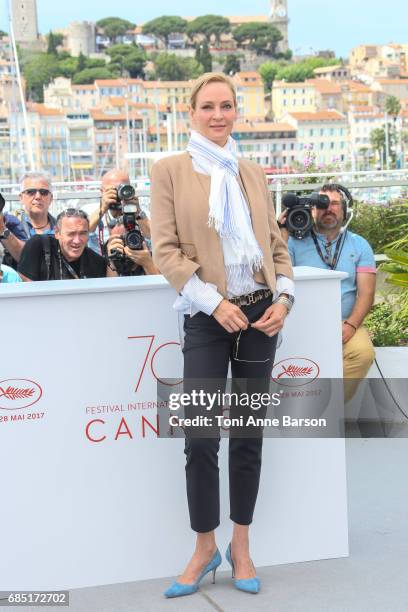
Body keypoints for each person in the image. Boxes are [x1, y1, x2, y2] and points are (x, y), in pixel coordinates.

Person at [150, 72, 294, 597]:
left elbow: (277, 249)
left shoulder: (251, 172)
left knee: (249, 437)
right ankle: (204, 546)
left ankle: (242, 545)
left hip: (261, 316)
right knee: (201, 437)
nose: (218, 115)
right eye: (207, 106)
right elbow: (166, 251)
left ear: (237, 111)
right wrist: (214, 304)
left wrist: (284, 298)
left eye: (226, 106)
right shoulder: (168, 170)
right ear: (190, 113)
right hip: (206, 318)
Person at [279, 183, 376, 401]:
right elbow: (278, 273)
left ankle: (327, 405)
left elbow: (367, 294)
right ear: (312, 210)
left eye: (334, 204)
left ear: (345, 210)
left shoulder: (359, 245)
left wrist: (351, 325)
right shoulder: (294, 242)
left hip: (344, 321)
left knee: (363, 354)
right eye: (321, 204)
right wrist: (283, 230)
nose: (328, 209)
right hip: (301, 321)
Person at [17, 208, 113, 281]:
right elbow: (25, 288)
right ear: (57, 233)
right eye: (71, 234)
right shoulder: (38, 246)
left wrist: (112, 260)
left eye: (83, 233)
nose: (77, 240)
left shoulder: (96, 261)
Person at [88, 168, 151, 255]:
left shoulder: (142, 214)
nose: (119, 194)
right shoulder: (93, 213)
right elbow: (83, 236)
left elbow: (154, 240)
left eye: (123, 189)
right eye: (113, 190)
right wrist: (102, 209)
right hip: (102, 264)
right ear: (102, 192)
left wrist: (137, 211)